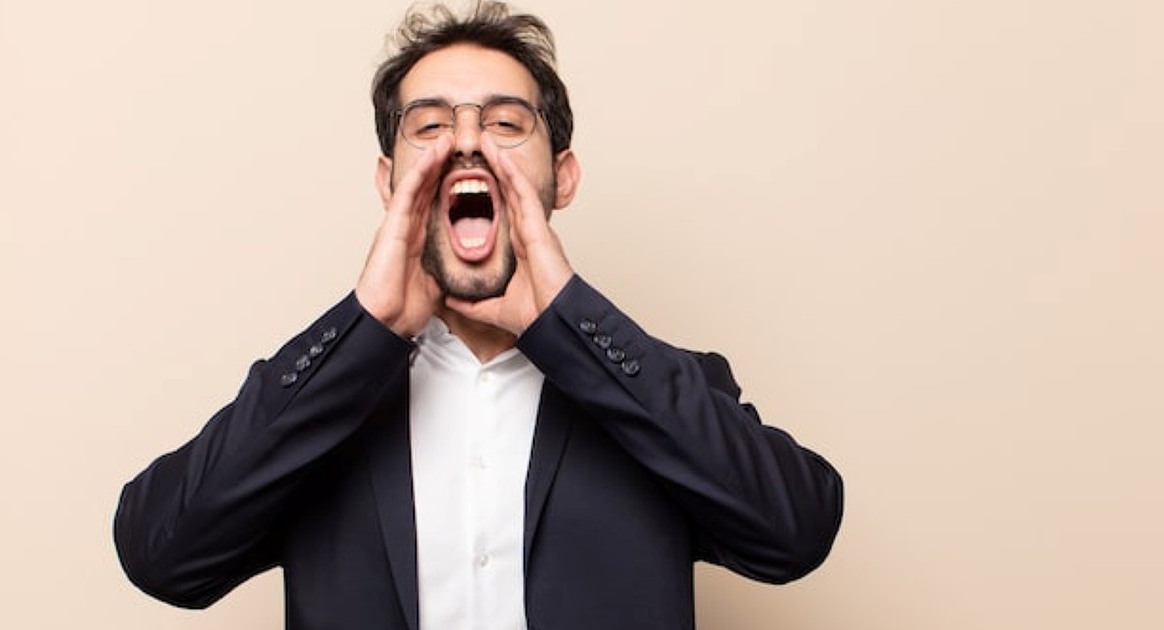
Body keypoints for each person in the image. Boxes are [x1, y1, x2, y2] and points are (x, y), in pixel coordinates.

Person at [113, 2, 844, 629]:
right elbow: (162, 557)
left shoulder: (655, 386)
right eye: (429, 125)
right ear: (389, 182)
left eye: (505, 122)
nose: (466, 142)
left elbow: (797, 533)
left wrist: (573, 319)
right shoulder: (319, 401)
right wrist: (364, 327)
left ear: (562, 177)